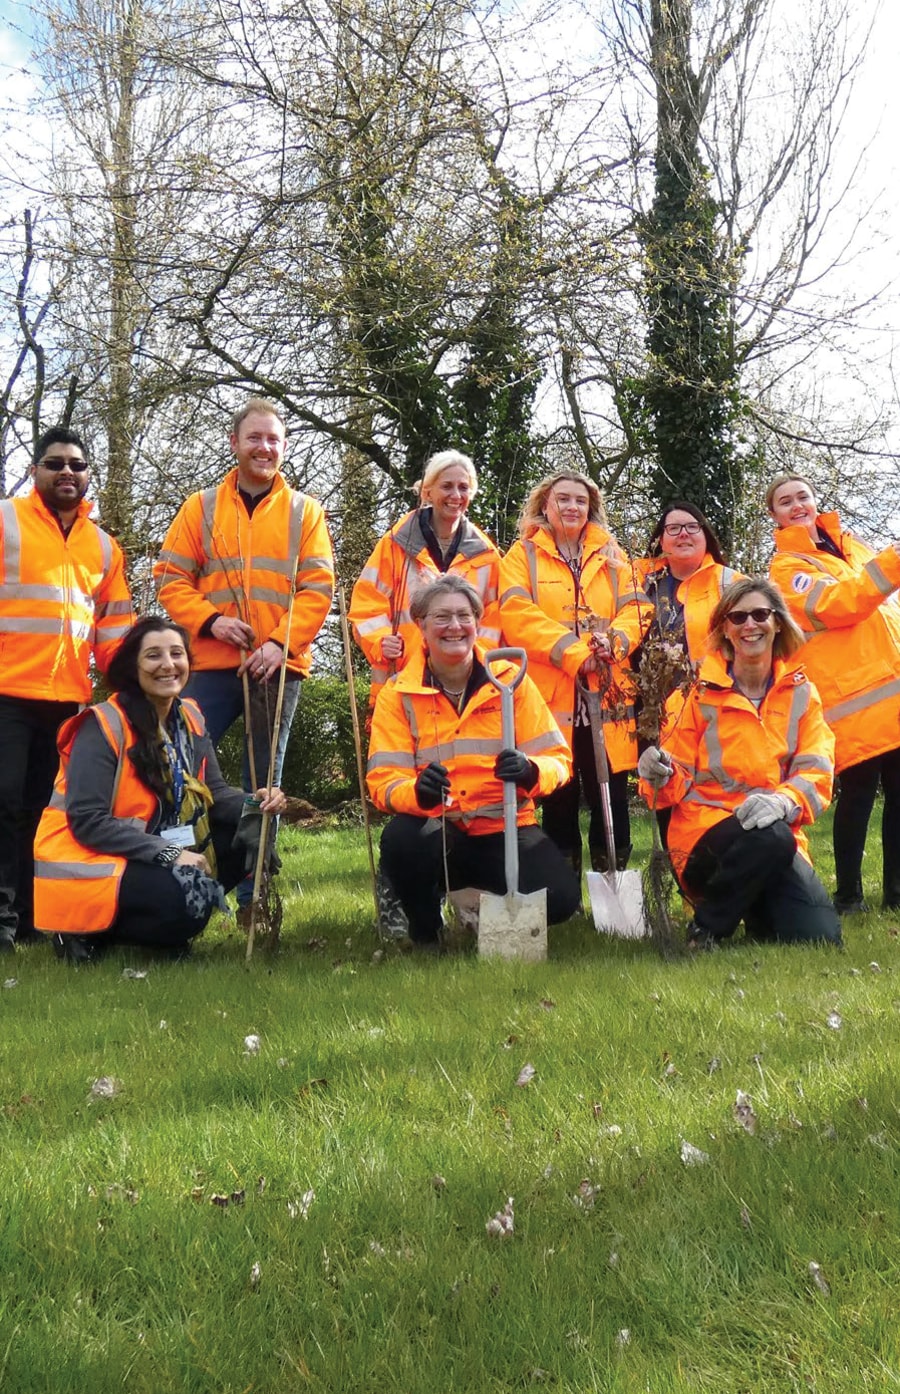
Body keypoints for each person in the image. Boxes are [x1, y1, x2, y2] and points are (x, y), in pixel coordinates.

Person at [153, 398, 333, 916]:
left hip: (279, 668)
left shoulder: (306, 511)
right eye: (254, 438)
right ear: (234, 444)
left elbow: (317, 587)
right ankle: (178, 870)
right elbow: (169, 578)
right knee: (179, 763)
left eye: (273, 439)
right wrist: (211, 621)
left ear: (283, 447)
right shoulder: (200, 507)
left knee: (265, 784)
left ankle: (256, 893)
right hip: (208, 665)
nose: (264, 447)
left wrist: (280, 643)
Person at [33, 617, 287, 962]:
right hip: (91, 858)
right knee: (188, 899)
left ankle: (164, 923)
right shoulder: (102, 724)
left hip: (150, 848)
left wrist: (255, 803)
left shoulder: (191, 717)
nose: (168, 665)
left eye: (177, 654)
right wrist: (169, 854)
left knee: (247, 832)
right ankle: (84, 930)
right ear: (131, 667)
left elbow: (213, 793)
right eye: (153, 656)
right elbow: (88, 821)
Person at [366, 575, 580, 949]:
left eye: (464, 616)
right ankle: (426, 929)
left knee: (561, 899)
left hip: (505, 825)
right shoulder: (397, 694)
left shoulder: (512, 683)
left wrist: (531, 770)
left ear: (478, 624)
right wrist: (418, 794)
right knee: (403, 839)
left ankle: (474, 901)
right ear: (421, 626)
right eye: (441, 617)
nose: (454, 627)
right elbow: (383, 781)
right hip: (441, 830)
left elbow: (558, 759)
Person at [638, 577, 841, 948]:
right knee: (772, 835)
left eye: (760, 614)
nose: (750, 625)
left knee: (821, 938)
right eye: (738, 617)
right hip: (705, 840)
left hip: (778, 838)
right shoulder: (695, 695)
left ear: (777, 622)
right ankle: (707, 928)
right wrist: (657, 771)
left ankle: (753, 906)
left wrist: (784, 801)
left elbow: (818, 770)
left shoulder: (803, 694)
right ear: (724, 630)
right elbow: (671, 783)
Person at [0, 426, 134, 952]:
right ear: (35, 470)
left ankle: (35, 920)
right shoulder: (6, 521)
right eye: (55, 463)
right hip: (7, 693)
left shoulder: (103, 547)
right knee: (4, 803)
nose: (66, 472)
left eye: (77, 465)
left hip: (68, 700)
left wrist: (131, 693)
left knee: (46, 810)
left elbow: (115, 629)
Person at [499, 470, 648, 881]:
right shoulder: (522, 555)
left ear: (591, 508)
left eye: (580, 501)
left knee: (611, 791)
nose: (571, 507)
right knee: (558, 793)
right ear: (545, 504)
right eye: (562, 499)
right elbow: (517, 615)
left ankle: (612, 878)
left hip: (608, 694)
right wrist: (575, 654)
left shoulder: (613, 554)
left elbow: (637, 609)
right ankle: (563, 889)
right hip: (552, 697)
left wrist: (614, 643)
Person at [767, 473, 900, 914]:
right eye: (785, 501)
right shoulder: (786, 569)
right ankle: (849, 896)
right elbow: (839, 603)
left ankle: (895, 894)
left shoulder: (850, 545)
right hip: (854, 700)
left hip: (893, 692)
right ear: (775, 515)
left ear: (815, 499)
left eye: (803, 496)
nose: (797, 505)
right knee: (858, 796)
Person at [349, 449, 501, 711]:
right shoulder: (394, 546)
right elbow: (366, 605)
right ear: (428, 492)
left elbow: (496, 619)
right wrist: (380, 641)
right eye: (447, 486)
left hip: (466, 686)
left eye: (463, 488)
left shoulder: (488, 556)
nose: (456, 496)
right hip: (402, 677)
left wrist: (471, 655)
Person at [633, 501, 744, 840]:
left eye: (692, 526)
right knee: (665, 792)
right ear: (661, 541)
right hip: (654, 713)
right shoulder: (638, 583)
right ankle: (675, 866)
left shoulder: (730, 582)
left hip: (714, 708)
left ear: (706, 535)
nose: (683, 534)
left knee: (712, 792)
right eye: (673, 528)